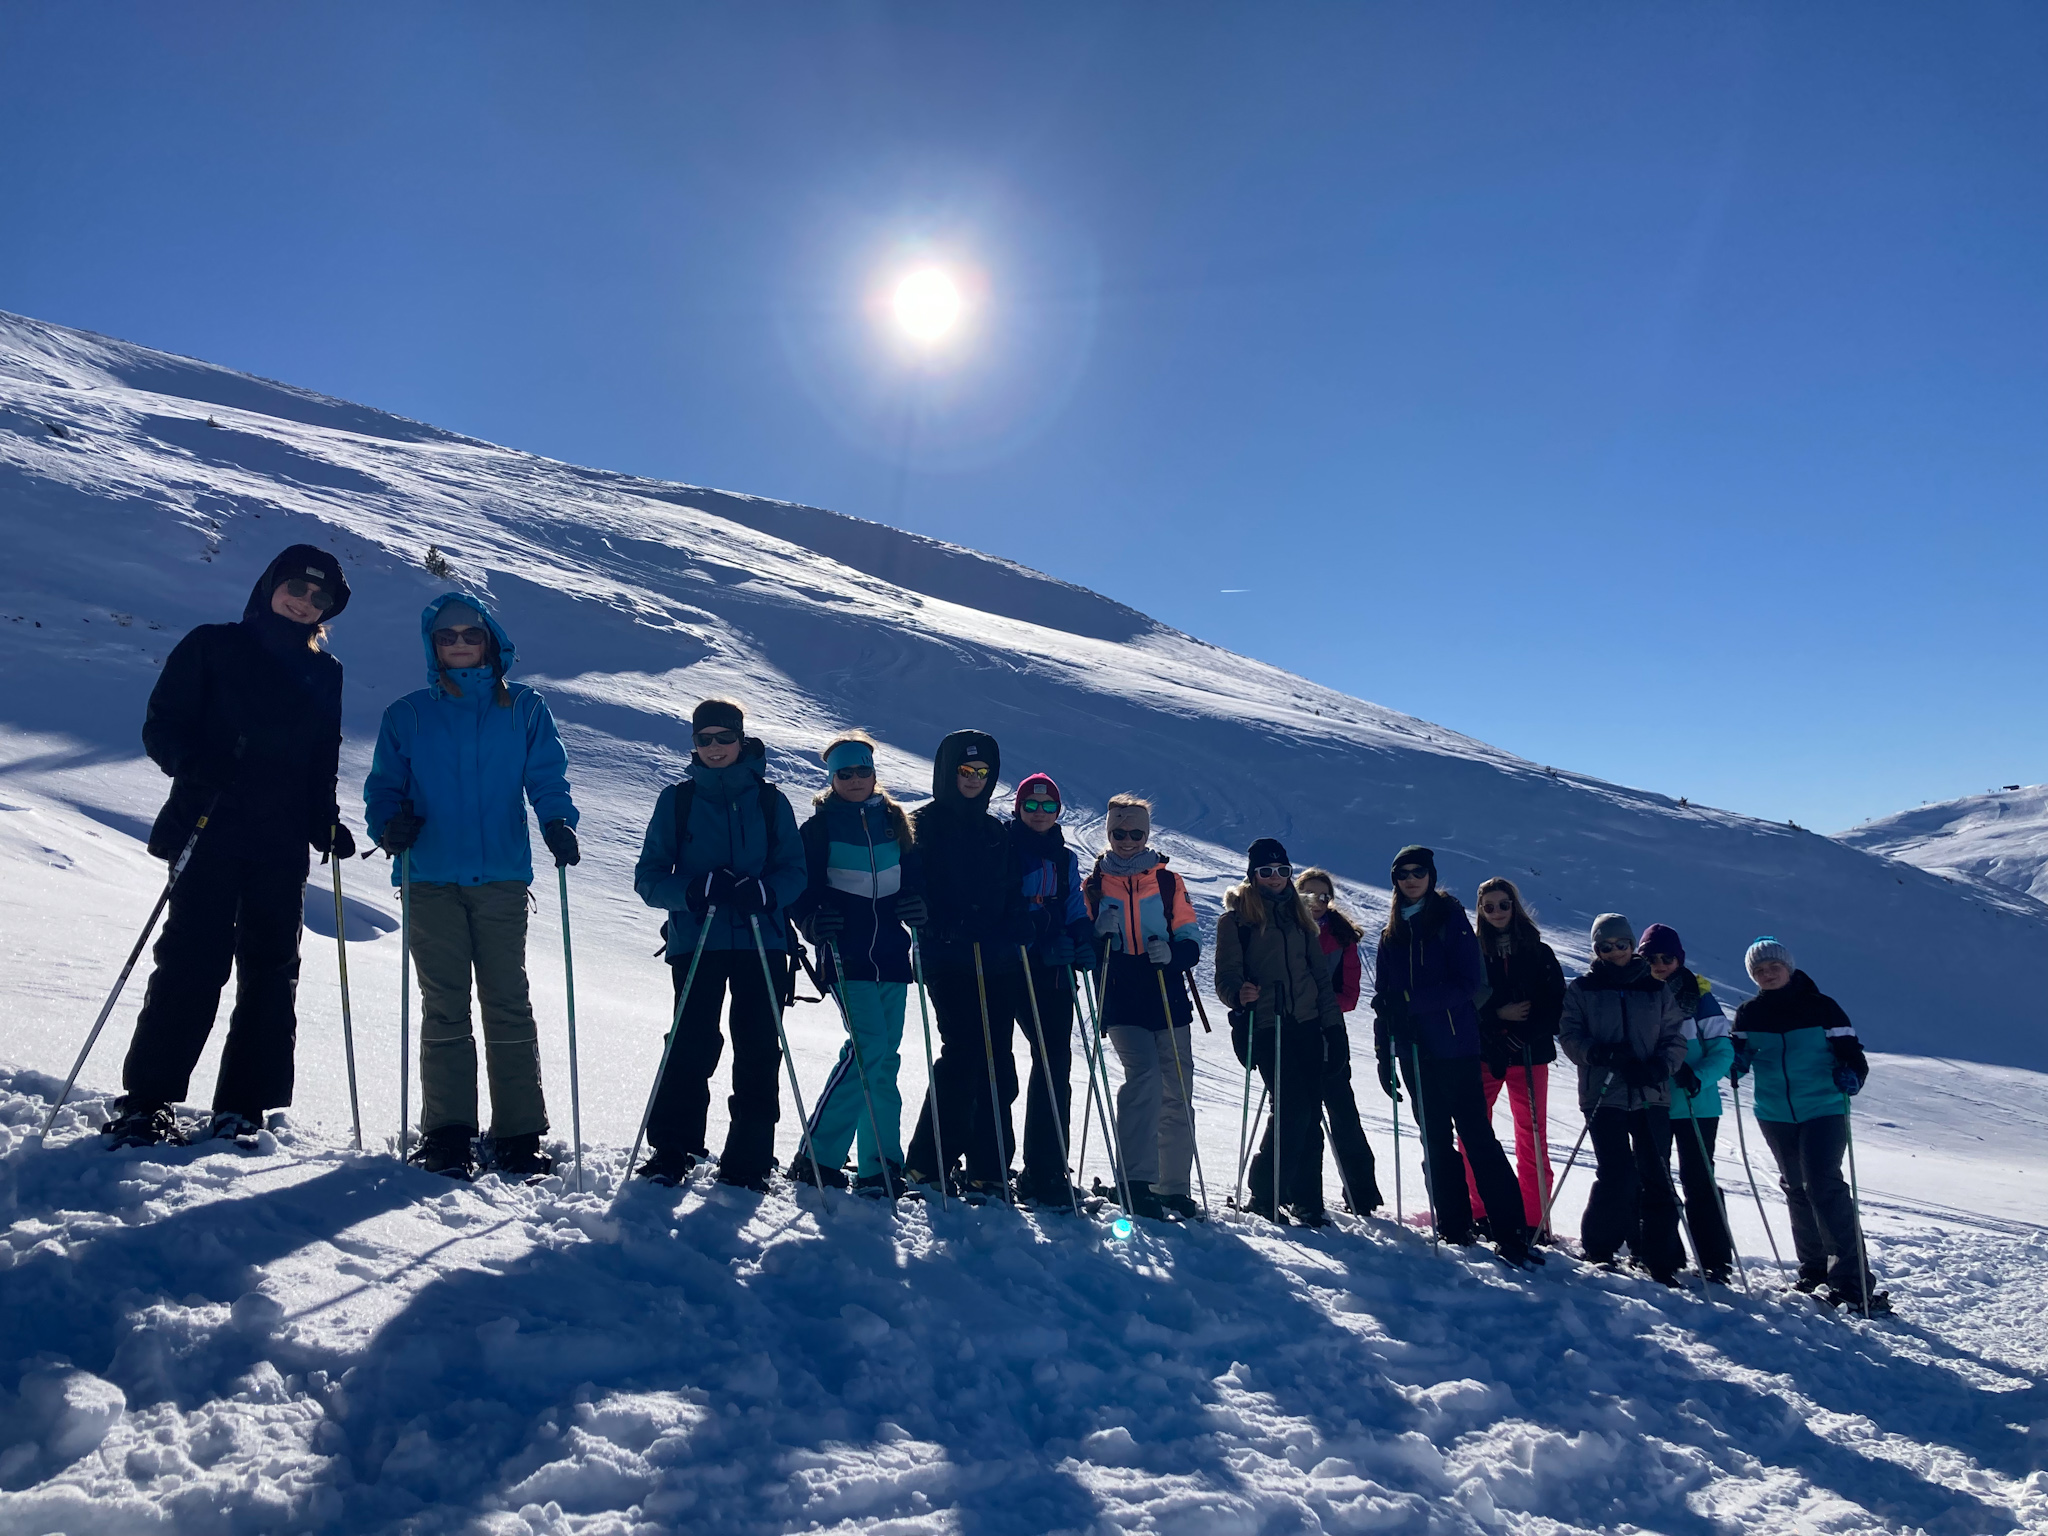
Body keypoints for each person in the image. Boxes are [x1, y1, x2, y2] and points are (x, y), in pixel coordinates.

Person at [104, 546, 353, 1149]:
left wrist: (323, 819)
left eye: (320, 598)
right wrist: (196, 763)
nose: (305, 602)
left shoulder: (325, 671)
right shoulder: (213, 645)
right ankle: (147, 1101)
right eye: (297, 587)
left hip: (280, 842)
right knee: (193, 962)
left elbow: (321, 758)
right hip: (209, 825)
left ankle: (243, 1108)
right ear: (271, 584)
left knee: (272, 972)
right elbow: (162, 725)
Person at [364, 593, 579, 1181]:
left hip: (501, 878)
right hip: (429, 876)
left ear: (490, 640)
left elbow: (546, 776)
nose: (459, 643)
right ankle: (448, 1132)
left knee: (507, 1002)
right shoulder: (407, 715)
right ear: (432, 646)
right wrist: (387, 826)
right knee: (445, 1006)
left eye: (470, 634)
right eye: (447, 636)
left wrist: (557, 821)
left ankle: (519, 1133)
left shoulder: (525, 708)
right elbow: (383, 787)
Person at [632, 699, 805, 1191]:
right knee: (691, 1042)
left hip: (760, 939)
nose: (714, 747)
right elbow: (649, 877)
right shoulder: (678, 800)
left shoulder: (771, 801)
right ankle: (672, 1149)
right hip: (697, 938)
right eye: (704, 739)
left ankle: (749, 1158)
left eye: (724, 738)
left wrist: (766, 894)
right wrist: (693, 890)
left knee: (758, 1046)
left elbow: (795, 871)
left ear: (740, 740)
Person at [1371, 847, 1534, 1265]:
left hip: (1455, 1046)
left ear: (1430, 875)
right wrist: (1384, 1052)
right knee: (1435, 1140)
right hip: (1414, 1051)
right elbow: (1384, 999)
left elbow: (1468, 984)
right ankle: (1454, 1224)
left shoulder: (1450, 919)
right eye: (1403, 873)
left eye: (1418, 872)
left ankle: (1511, 1231)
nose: (1411, 879)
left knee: (1476, 1136)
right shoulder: (1391, 933)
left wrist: (1412, 1001)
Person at [787, 733, 925, 1195]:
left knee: (884, 1059)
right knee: (868, 1049)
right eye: (844, 773)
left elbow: (915, 879)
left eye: (862, 771)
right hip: (844, 952)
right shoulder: (819, 828)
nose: (854, 780)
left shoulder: (896, 822)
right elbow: (799, 887)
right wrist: (810, 919)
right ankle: (817, 1156)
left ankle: (878, 1166)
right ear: (832, 778)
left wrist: (917, 904)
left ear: (873, 773)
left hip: (891, 955)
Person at [902, 730, 1033, 1201]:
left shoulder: (995, 832)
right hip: (949, 958)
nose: (974, 779)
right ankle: (928, 1162)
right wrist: (941, 923)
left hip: (995, 960)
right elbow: (913, 887)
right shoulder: (922, 825)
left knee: (998, 1060)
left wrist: (1016, 921)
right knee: (963, 1054)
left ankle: (989, 1167)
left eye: (982, 772)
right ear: (947, 772)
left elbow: (1011, 890)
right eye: (965, 770)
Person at [1731, 937, 1885, 1313]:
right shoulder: (1749, 1013)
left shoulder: (1822, 1007)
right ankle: (1814, 1270)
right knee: (1797, 1188)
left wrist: (1853, 1076)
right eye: (1759, 970)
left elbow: (1853, 1055)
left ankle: (1852, 1284)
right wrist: (1735, 1064)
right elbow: (1738, 1054)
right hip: (1774, 1112)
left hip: (1823, 1108)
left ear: (1789, 967)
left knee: (1823, 1185)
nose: (1768, 974)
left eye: (1774, 967)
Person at [1085, 796, 1203, 1220]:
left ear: (1147, 834)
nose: (1127, 840)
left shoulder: (1168, 881)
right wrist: (1098, 935)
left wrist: (1173, 954)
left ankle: (1172, 1187)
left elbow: (1190, 936)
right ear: (1109, 833)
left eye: (1136, 832)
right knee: (1145, 1076)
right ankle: (1136, 1181)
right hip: (1121, 992)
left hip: (1165, 990)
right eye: (1119, 832)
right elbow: (1085, 947)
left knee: (1177, 1090)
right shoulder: (1095, 884)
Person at [1556, 913, 1691, 1282]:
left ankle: (1659, 1257)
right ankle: (1600, 1247)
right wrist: (1599, 1053)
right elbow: (1569, 1035)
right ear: (1596, 950)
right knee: (1617, 1173)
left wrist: (1660, 1066)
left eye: (1621, 944)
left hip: (1650, 1091)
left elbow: (1674, 1037)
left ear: (1632, 946)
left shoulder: (1655, 989)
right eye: (1605, 946)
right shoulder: (1583, 988)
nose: (1614, 951)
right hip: (1604, 1091)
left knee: (1657, 1173)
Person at [1215, 841, 1344, 1225]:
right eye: (1266, 871)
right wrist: (1238, 994)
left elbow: (1319, 978)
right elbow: (1225, 976)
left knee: (1310, 1109)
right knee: (1292, 1108)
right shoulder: (1236, 920)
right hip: (1267, 1024)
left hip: (1307, 1023)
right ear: (1253, 875)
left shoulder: (1299, 916)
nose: (1275, 878)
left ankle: (1307, 1199)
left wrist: (1334, 1027)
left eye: (1282, 871)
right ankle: (1266, 1193)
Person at [1008, 773, 1099, 1209]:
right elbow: (1005, 905)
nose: (1039, 813)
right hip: (1010, 966)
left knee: (1054, 1065)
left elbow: (1074, 906)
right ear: (1018, 808)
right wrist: (1042, 933)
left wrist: (1083, 939)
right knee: (993, 1062)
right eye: (1031, 805)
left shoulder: (1064, 858)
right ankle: (988, 1161)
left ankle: (1046, 1169)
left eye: (1048, 807)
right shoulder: (1004, 847)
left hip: (1054, 972)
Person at [1463, 877, 1565, 1241]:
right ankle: (1480, 1212)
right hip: (1485, 1051)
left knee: (1532, 1136)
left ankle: (1535, 1219)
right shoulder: (1472, 952)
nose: (1497, 912)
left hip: (1530, 1053)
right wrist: (1496, 1017)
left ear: (1514, 906)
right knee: (1474, 1132)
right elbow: (1464, 1001)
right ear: (1480, 911)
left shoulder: (1538, 951)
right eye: (1488, 907)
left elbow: (1555, 1005)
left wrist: (1523, 1033)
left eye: (1503, 905)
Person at [1638, 923, 1735, 1282]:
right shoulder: (1638, 994)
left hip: (1697, 1102)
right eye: (1652, 959)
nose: (1660, 965)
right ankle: (1662, 1255)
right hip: (1654, 1101)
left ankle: (1715, 1259)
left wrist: (1697, 1077)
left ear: (1679, 959)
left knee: (1699, 1180)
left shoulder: (1701, 997)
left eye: (1668, 958)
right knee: (1655, 1178)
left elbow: (1723, 1050)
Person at [1296, 866, 1383, 1216]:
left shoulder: (1342, 937)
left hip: (1329, 1031)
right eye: (1309, 894)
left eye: (1324, 896)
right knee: (1295, 1112)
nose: (1316, 902)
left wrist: (1318, 1004)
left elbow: (1349, 995)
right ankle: (1291, 1188)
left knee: (1342, 1111)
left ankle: (1361, 1193)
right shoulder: (1283, 928)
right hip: (1293, 1030)